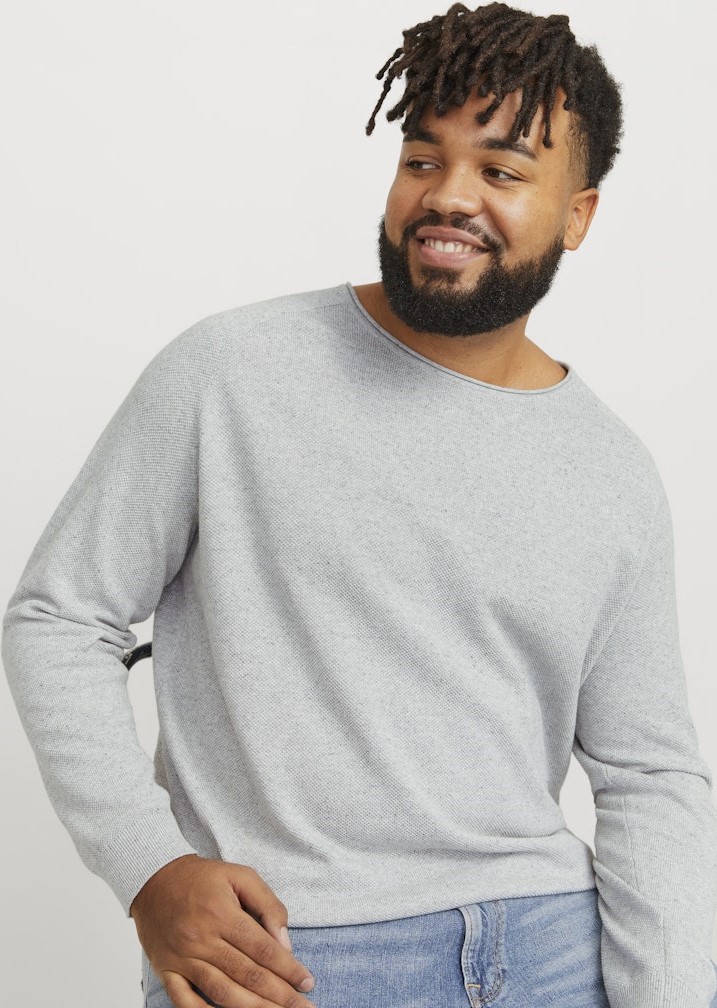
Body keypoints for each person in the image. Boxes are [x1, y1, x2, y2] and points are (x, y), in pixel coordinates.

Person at [3, 2, 717, 1006]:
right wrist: (147, 867)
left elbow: (648, 773)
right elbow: (58, 616)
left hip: (554, 954)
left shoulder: (612, 468)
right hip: (288, 960)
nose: (448, 197)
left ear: (578, 215)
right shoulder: (230, 373)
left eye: (502, 172)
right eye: (423, 159)